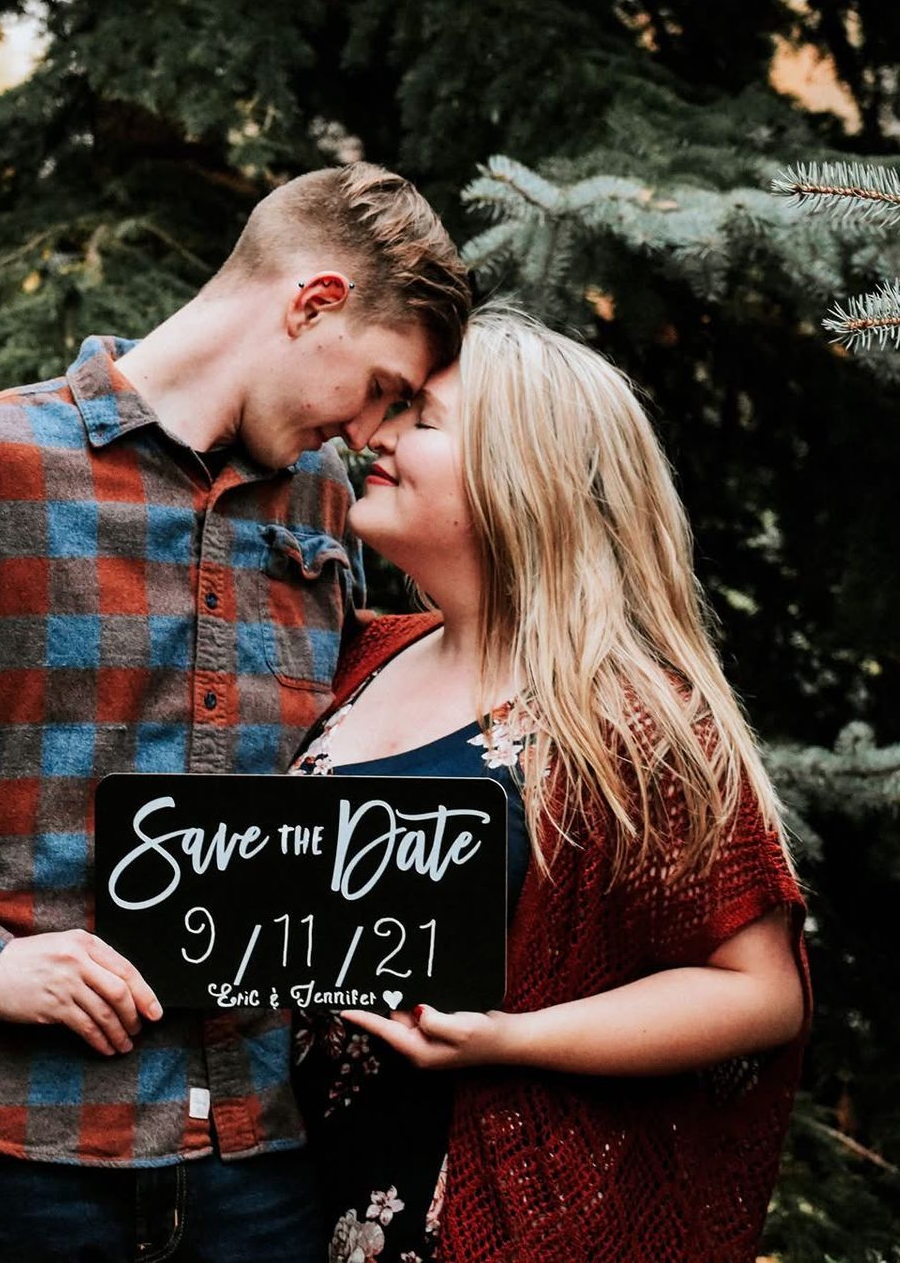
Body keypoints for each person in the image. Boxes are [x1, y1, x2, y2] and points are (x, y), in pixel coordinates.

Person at [0, 161, 472, 1263]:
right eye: (383, 386)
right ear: (313, 305)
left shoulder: (327, 510)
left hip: (264, 1158)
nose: (371, 430)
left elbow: (400, 710)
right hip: (14, 1149)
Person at [286, 303, 813, 1263]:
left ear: (523, 479)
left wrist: (508, 1039)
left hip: (470, 1216)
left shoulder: (629, 721)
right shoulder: (357, 653)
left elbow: (760, 991)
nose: (376, 436)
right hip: (274, 1199)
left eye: (424, 420)